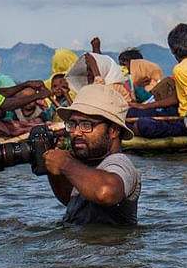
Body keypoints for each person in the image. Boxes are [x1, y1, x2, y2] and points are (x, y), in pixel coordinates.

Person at [44, 84, 142, 226]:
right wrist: (51, 168)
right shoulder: (85, 166)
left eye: (86, 125)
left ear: (113, 131)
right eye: (72, 124)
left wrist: (66, 164)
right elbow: (68, 200)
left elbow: (106, 192)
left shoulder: (119, 163)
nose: (76, 132)